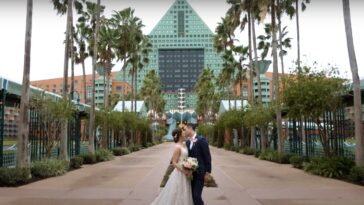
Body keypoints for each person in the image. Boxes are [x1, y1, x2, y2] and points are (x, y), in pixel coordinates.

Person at [150, 127, 194, 205]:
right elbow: (173, 162)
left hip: (186, 171)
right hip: (180, 173)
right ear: (180, 135)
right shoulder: (177, 147)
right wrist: (184, 170)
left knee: (185, 191)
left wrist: (190, 165)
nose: (184, 133)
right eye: (183, 132)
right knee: (177, 192)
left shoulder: (184, 145)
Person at [184, 123, 212, 205]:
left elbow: (207, 157)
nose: (184, 131)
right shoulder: (188, 142)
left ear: (190, 128)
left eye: (185, 129)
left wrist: (207, 172)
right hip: (192, 174)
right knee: (192, 196)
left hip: (201, 173)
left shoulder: (201, 140)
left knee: (196, 196)